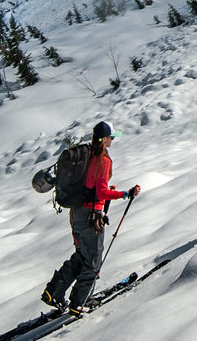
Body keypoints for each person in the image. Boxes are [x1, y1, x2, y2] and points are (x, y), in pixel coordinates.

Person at [42, 120, 139, 311]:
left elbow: (92, 186)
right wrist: (124, 194)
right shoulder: (103, 159)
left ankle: (53, 292)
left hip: (77, 213)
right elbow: (101, 192)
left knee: (81, 256)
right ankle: (80, 302)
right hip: (91, 217)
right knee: (93, 261)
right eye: (111, 137)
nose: (112, 140)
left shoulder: (87, 155)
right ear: (104, 139)